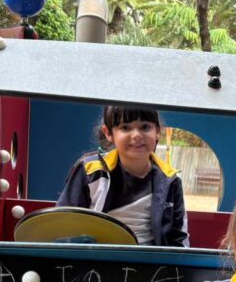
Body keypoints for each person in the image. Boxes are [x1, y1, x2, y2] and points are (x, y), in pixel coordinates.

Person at [56, 105, 188, 246]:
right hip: (97, 255)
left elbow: (179, 239)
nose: (136, 135)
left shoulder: (171, 180)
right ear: (108, 133)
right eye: (125, 127)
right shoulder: (90, 171)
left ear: (157, 131)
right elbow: (63, 224)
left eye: (145, 127)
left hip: (150, 258)